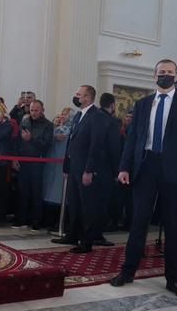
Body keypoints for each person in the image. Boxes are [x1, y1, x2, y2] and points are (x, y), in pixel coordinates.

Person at [110, 59, 177, 301]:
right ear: (154, 77)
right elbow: (132, 138)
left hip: (175, 170)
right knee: (138, 222)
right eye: (161, 72)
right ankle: (127, 271)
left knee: (173, 225)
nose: (165, 75)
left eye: (170, 72)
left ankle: (174, 280)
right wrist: (124, 167)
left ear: (176, 76)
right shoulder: (142, 104)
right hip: (145, 166)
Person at [51, 85, 108, 254]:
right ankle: (72, 234)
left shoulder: (97, 116)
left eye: (78, 95)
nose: (75, 97)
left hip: (86, 169)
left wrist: (89, 170)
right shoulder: (78, 116)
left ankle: (86, 240)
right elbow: (71, 142)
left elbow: (96, 145)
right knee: (74, 204)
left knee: (87, 206)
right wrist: (67, 166)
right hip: (74, 168)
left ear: (88, 97)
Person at [12, 100, 54, 232]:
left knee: (36, 191)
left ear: (42, 111)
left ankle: (36, 220)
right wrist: (14, 158)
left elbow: (46, 145)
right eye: (31, 110)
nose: (33, 113)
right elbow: (16, 140)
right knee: (22, 190)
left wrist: (31, 139)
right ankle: (22, 218)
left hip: (37, 161)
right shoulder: (25, 122)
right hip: (23, 160)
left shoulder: (47, 125)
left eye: (36, 110)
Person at [42, 108, 76, 228]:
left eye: (65, 115)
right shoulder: (57, 130)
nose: (62, 117)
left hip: (63, 166)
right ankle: (51, 219)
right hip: (52, 164)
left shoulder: (74, 131)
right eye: (61, 114)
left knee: (61, 193)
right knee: (50, 192)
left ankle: (63, 222)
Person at [96, 93, 121, 245]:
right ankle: (97, 234)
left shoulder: (92, 116)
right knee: (102, 204)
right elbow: (114, 148)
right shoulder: (111, 122)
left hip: (91, 167)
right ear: (112, 105)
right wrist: (117, 170)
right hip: (105, 168)